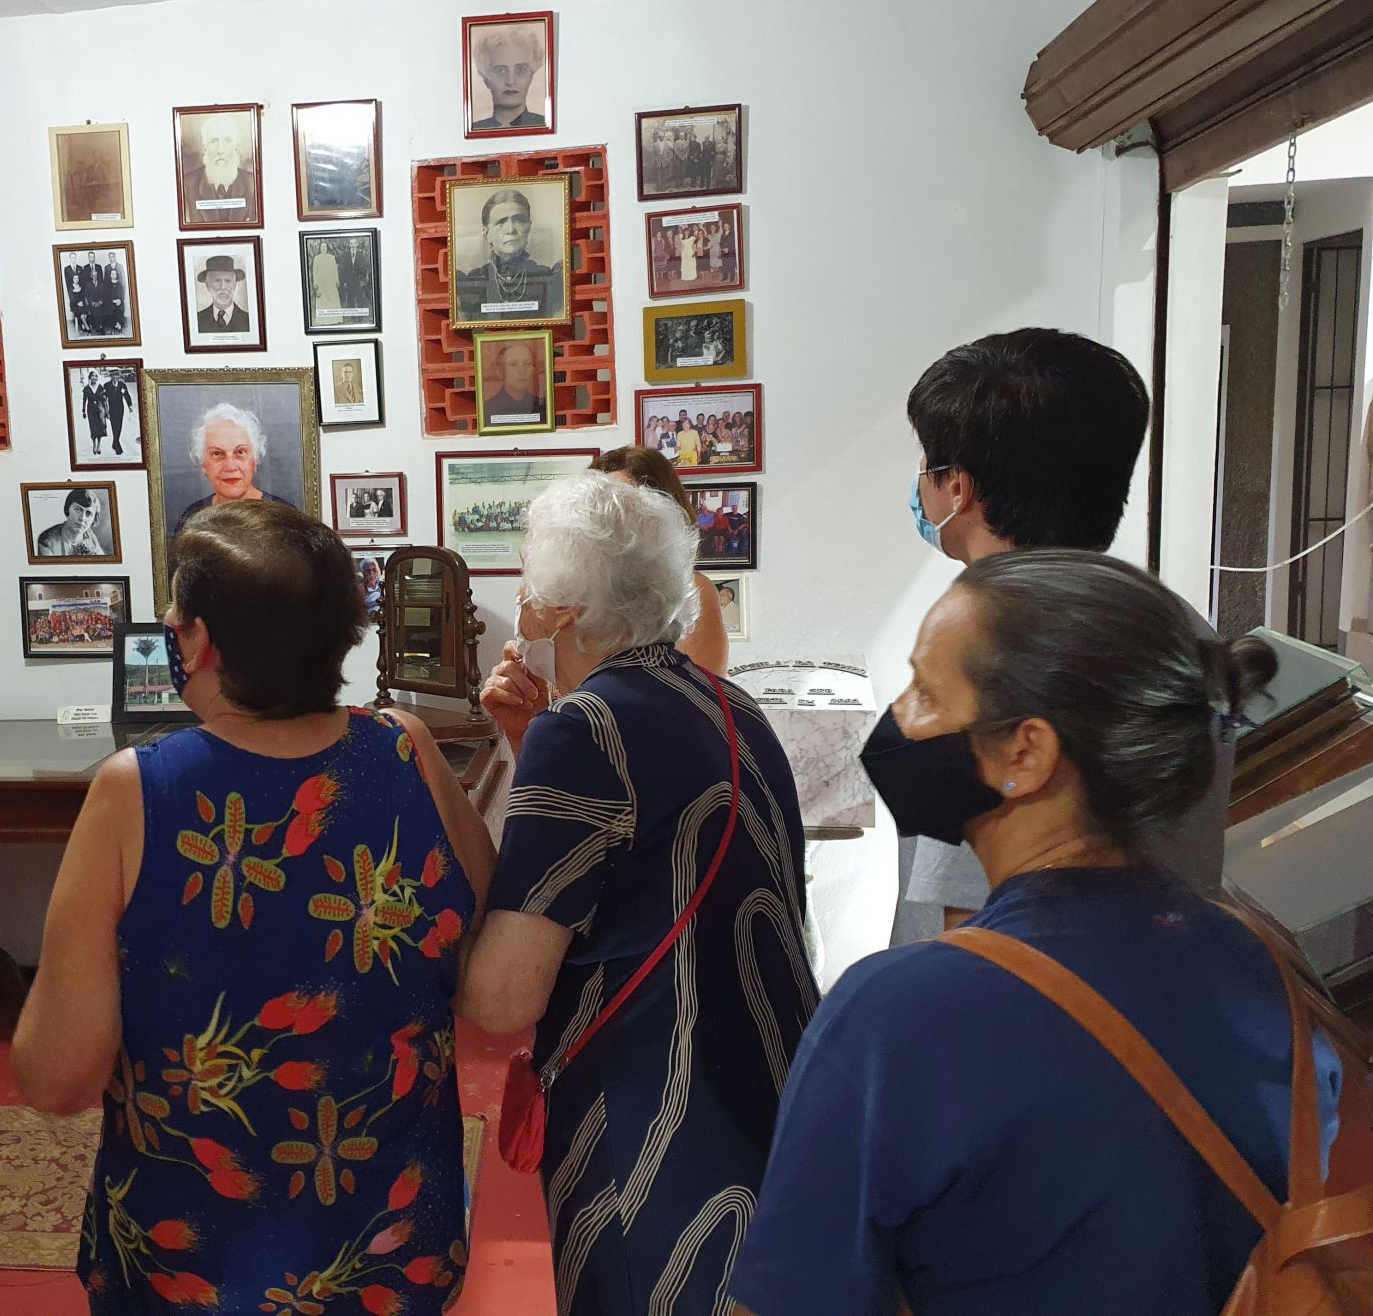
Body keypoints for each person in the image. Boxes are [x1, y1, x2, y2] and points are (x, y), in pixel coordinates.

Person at [727, 549, 1341, 1316]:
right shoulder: (1264, 966)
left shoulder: (897, 1016)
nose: (900, 718)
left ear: (1026, 752)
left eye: (926, 691)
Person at [12, 502, 494, 1316]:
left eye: (176, 613)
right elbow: (479, 940)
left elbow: (57, 1075)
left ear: (199, 641)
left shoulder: (138, 791)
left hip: (193, 1270)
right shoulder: (408, 749)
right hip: (391, 1254)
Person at [460, 471, 816, 1316]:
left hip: (650, 1129)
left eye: (529, 578)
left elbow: (502, 996)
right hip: (765, 1104)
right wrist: (528, 741)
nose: (521, 600)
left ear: (566, 609)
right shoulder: (731, 703)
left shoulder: (583, 728)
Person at [891, 328, 1222, 946]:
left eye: (927, 465)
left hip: (1009, 990)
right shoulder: (1175, 625)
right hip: (1161, 979)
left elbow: (971, 918)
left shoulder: (989, 647)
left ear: (958, 487)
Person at [593, 445, 731, 674]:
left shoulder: (692, 589)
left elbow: (700, 688)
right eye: (602, 502)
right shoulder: (575, 588)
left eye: (626, 503)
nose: (613, 515)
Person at [173, 404, 295, 537]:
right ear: (203, 464)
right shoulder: (192, 517)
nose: (230, 466)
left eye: (240, 452)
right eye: (217, 453)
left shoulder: (284, 517)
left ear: (255, 460)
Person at [454, 189, 563, 321]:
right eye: (501, 222)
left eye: (518, 220)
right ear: (487, 233)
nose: (511, 230)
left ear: (528, 227)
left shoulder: (549, 278)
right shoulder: (473, 281)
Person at [182, 112, 257, 223]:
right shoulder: (187, 184)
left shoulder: (253, 183)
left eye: (227, 141)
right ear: (205, 148)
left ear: (236, 146)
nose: (220, 150)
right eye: (213, 141)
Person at [468, 25, 547, 130]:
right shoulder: (475, 130)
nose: (511, 81)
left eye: (520, 70)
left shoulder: (545, 124)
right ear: (485, 77)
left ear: (531, 75)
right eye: (500, 70)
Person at [480, 340, 547, 426]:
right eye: (513, 364)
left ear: (533, 369)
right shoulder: (487, 409)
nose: (522, 371)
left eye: (527, 364)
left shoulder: (542, 406)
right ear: (499, 371)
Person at [37, 488, 106, 557]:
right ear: (68, 509)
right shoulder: (47, 540)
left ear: (94, 518)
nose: (82, 518)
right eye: (77, 509)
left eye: (88, 513)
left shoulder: (89, 535)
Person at [195, 256, 251, 334]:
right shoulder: (197, 320)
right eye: (217, 281)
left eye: (228, 281)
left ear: (235, 285)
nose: (223, 287)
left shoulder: (249, 320)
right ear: (207, 285)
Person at [309, 240, 342, 323]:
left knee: (332, 299)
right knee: (322, 301)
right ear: (320, 248)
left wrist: (337, 280)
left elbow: (335, 270)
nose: (323, 249)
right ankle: (323, 320)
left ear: (327, 248)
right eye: (322, 247)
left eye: (325, 247)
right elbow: (314, 271)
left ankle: (334, 319)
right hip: (321, 283)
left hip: (331, 282)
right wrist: (315, 283)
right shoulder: (316, 258)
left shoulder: (332, 258)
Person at [104, 371, 135, 456]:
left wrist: (130, 406)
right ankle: (117, 445)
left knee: (119, 426)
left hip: (120, 409)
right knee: (114, 427)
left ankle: (115, 442)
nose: (115, 377)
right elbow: (104, 398)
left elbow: (127, 395)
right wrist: (105, 410)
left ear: (119, 376)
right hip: (111, 409)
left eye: (117, 375)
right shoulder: (107, 385)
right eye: (113, 375)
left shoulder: (122, 385)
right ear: (111, 376)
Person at [81, 372, 107, 456]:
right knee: (93, 427)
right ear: (90, 377)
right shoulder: (86, 388)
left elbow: (104, 400)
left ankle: (98, 445)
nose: (94, 377)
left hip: (99, 409)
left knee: (100, 428)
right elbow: (84, 400)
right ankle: (94, 444)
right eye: (92, 376)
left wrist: (106, 411)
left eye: (96, 376)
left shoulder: (100, 387)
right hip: (91, 410)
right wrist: (83, 411)